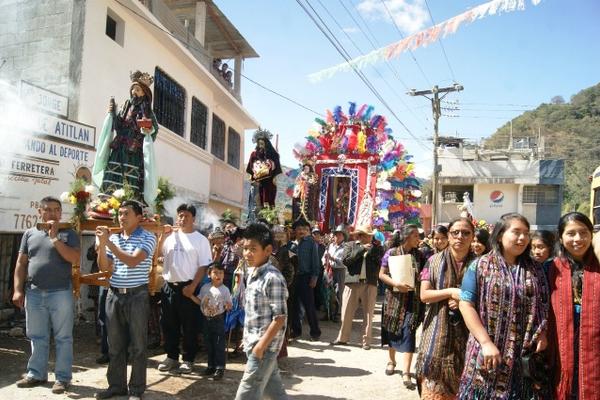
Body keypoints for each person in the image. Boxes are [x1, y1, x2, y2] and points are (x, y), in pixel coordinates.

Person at [458, 213, 549, 399]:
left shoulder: (536, 269)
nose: (523, 238)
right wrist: (485, 342)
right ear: (500, 235)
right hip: (489, 351)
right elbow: (466, 305)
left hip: (524, 354)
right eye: (516, 232)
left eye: (526, 233)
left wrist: (543, 332)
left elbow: (544, 303)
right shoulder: (480, 266)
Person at [13, 196, 80, 394]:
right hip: (34, 292)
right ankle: (36, 374)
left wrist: (54, 238)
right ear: (39, 212)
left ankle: (62, 378)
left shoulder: (69, 233)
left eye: (56, 210)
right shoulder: (29, 234)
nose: (53, 213)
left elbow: (74, 258)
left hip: (60, 292)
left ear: (61, 212)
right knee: (37, 336)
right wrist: (17, 289)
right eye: (48, 210)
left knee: (63, 337)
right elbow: (21, 263)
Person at [94, 200, 157, 400]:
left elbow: (132, 261)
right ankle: (116, 386)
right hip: (114, 294)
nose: (121, 217)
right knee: (115, 345)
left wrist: (108, 242)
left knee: (138, 346)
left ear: (139, 217)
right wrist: (102, 246)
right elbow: (105, 268)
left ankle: (136, 390)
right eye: (120, 213)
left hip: (137, 295)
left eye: (126, 213)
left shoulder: (148, 237)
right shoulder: (114, 238)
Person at [416, 218, 477, 399]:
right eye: (455, 232)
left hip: (469, 334)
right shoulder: (433, 261)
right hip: (437, 333)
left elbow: (489, 299)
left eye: (466, 233)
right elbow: (424, 295)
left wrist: (463, 301)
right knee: (434, 390)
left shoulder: (481, 264)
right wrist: (450, 292)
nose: (460, 237)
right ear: (449, 236)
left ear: (472, 237)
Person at [547, 212, 600, 399]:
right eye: (571, 233)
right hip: (560, 347)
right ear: (560, 237)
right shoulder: (549, 269)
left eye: (584, 232)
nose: (578, 239)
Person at [234, 223, 288, 400]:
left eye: (253, 249)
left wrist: (260, 346)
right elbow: (254, 314)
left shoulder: (272, 278)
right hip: (255, 344)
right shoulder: (252, 272)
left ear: (268, 250)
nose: (247, 253)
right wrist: (247, 338)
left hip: (264, 349)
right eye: (245, 248)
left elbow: (280, 318)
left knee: (246, 394)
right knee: (274, 393)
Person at [156, 203, 211, 374]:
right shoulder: (170, 236)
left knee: (189, 326)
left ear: (193, 219)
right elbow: (159, 257)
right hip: (169, 287)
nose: (182, 219)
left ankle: (188, 359)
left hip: (188, 288)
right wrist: (161, 238)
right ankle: (171, 356)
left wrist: (193, 286)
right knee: (168, 324)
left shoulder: (200, 240)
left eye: (186, 216)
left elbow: (203, 267)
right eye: (180, 215)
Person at [92, 71, 159, 207]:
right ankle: (107, 203)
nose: (134, 92)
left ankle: (130, 204)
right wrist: (112, 114)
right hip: (118, 148)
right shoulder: (125, 106)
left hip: (133, 152)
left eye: (138, 89)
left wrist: (148, 129)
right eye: (133, 89)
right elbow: (117, 125)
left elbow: (154, 130)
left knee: (130, 179)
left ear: (144, 93)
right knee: (112, 172)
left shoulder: (147, 112)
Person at [378, 225, 425, 390]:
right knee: (392, 330)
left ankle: (406, 372)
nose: (418, 239)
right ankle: (391, 361)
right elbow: (381, 274)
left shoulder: (419, 255)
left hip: (413, 301)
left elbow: (424, 276)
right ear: (407, 237)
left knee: (409, 333)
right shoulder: (390, 253)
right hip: (394, 300)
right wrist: (396, 283)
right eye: (415, 236)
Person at [331, 225, 384, 350]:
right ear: (360, 236)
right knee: (346, 312)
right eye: (367, 235)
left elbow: (380, 263)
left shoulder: (377, 248)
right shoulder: (350, 245)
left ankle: (366, 342)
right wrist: (361, 250)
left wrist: (371, 252)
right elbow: (346, 260)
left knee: (368, 313)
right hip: (352, 282)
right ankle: (342, 338)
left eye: (371, 235)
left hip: (370, 283)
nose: (370, 238)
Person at [190, 263, 232, 381]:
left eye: (220, 273)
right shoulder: (205, 288)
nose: (218, 275)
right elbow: (200, 301)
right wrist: (190, 296)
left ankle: (219, 368)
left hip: (218, 319)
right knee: (208, 343)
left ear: (224, 275)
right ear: (209, 275)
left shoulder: (225, 290)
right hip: (206, 319)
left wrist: (228, 306)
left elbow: (229, 305)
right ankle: (211, 366)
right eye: (215, 272)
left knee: (219, 344)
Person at [289, 218, 322, 341]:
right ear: (295, 230)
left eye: (304, 228)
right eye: (299, 228)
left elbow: (316, 261)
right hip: (293, 278)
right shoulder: (290, 244)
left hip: (306, 278)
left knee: (309, 306)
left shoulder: (311, 243)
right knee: (294, 306)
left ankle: (315, 332)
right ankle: (296, 331)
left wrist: (314, 277)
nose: (301, 230)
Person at [246, 129, 282, 209]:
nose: (261, 145)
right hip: (258, 181)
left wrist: (274, 177)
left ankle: (268, 216)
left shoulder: (273, 154)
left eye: (262, 143)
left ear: (266, 143)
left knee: (267, 198)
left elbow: (276, 166)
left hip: (269, 181)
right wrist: (252, 176)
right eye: (259, 144)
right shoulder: (254, 154)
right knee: (257, 198)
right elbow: (250, 166)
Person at [323, 224, 348, 322]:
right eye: (336, 234)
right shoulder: (330, 246)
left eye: (339, 234)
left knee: (338, 292)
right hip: (330, 270)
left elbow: (344, 261)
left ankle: (337, 313)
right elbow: (324, 257)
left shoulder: (345, 247)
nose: (337, 236)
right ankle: (328, 312)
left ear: (343, 236)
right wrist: (324, 262)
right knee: (328, 291)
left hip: (340, 271)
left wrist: (332, 258)